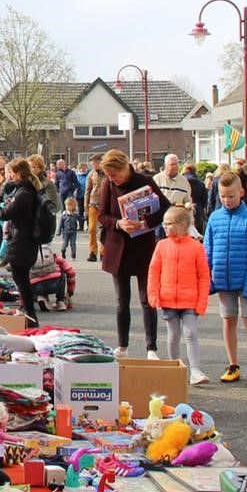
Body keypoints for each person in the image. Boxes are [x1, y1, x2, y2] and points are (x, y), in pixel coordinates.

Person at [96, 149, 164, 358]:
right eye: (108, 175)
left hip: (142, 246)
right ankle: (122, 345)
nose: (111, 179)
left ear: (124, 168)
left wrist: (144, 223)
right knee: (121, 300)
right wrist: (118, 223)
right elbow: (102, 215)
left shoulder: (145, 181)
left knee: (147, 299)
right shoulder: (108, 184)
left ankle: (151, 347)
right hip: (118, 248)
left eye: (114, 175)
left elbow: (164, 208)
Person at [204, 169, 247, 386]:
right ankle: (233, 364)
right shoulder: (214, 217)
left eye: (231, 196)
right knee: (228, 320)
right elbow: (208, 250)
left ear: (241, 192)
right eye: (223, 196)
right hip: (223, 278)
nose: (227, 200)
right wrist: (209, 279)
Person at [148, 204, 211, 386]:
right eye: (164, 223)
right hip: (168, 299)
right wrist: (153, 295)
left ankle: (196, 370)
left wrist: (202, 302)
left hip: (189, 301)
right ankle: (175, 367)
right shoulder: (161, 246)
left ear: (183, 225)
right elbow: (153, 271)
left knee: (191, 334)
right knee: (173, 335)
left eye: (169, 223)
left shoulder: (196, 247)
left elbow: (204, 276)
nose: (165, 227)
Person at [0, 157, 50, 324]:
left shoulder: (24, 194)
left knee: (21, 280)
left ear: (19, 174)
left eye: (12, 174)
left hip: (22, 242)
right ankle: (29, 314)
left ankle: (30, 316)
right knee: (22, 279)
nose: (10, 176)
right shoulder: (29, 189)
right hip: (27, 242)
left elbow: (5, 213)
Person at [153, 154, 192, 221]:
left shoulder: (184, 181)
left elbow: (187, 200)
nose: (175, 167)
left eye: (176, 164)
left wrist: (188, 206)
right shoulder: (156, 179)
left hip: (177, 220)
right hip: (159, 219)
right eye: (172, 164)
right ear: (166, 165)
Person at [84, 152, 106, 263]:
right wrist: (85, 206)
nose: (93, 165)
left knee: (103, 230)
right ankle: (93, 252)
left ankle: (103, 252)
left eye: (94, 163)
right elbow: (87, 191)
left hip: (104, 204)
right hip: (93, 204)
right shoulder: (91, 174)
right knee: (92, 229)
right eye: (92, 163)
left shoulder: (107, 174)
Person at [184, 162, 209, 236]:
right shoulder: (200, 183)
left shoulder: (182, 182)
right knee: (198, 235)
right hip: (198, 210)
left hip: (185, 210)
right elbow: (205, 199)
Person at [58, 195, 81, 260]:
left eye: (69, 205)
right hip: (65, 232)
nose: (68, 207)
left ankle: (73, 255)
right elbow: (60, 224)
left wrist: (86, 218)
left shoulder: (75, 214)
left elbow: (80, 219)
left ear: (73, 206)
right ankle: (63, 251)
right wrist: (58, 231)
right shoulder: (64, 215)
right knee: (65, 244)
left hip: (73, 232)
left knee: (73, 244)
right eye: (67, 205)